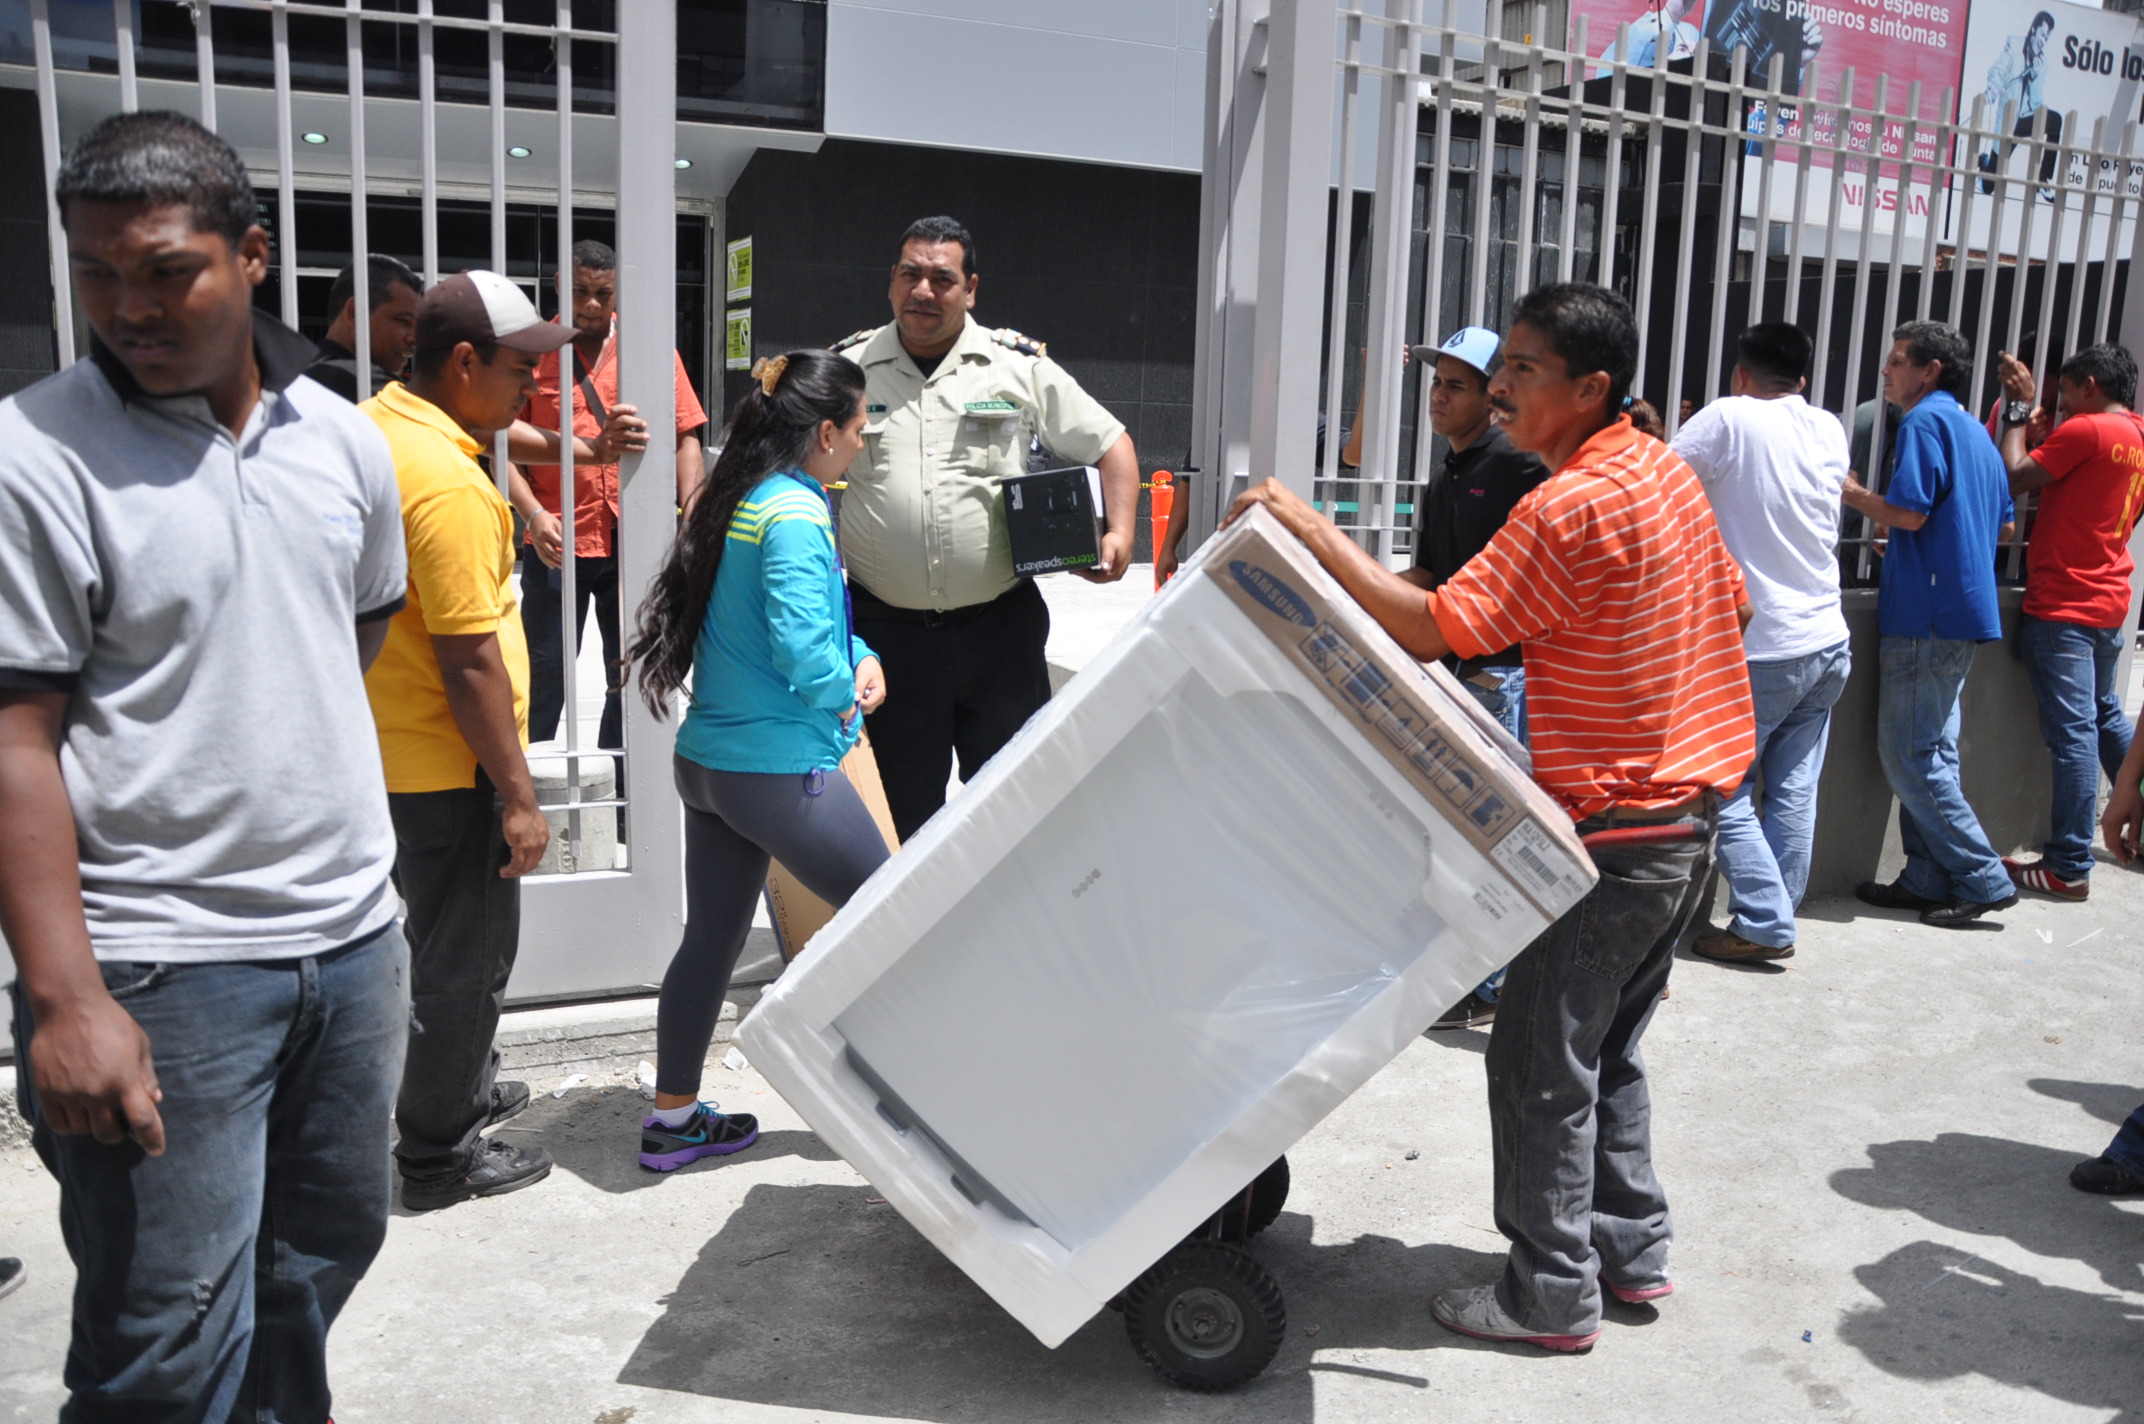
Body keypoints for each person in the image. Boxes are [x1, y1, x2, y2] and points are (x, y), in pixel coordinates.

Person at [1231, 282, 1755, 1354]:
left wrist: (1303, 527)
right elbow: (1733, 603)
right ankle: (1627, 1249)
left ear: (1590, 387)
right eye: (1500, 365)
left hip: (1614, 828)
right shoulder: (1660, 473)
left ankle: (1549, 1292)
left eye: (1522, 369)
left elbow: (1432, 628)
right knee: (1604, 1048)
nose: (1500, 387)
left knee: (1535, 1062)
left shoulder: (1563, 504)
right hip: (1689, 821)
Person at [0, 110, 409, 1420]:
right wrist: (67, 1001)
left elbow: (352, 627)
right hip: (160, 969)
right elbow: (12, 739)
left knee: (313, 1267)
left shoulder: (343, 445)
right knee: (162, 1337)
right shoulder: (33, 458)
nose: (129, 307)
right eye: (98, 273)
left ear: (252, 255)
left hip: (351, 949)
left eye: (165, 269)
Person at [625, 350, 891, 1170]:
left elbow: (759, 617)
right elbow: (805, 649)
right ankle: (892, 1106)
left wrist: (859, 647)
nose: (864, 436)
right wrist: (847, 692)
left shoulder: (738, 501)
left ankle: (673, 1121)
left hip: (709, 766)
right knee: (895, 918)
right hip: (778, 772)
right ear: (823, 433)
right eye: (858, 424)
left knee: (709, 939)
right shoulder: (799, 516)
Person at [362, 270, 568, 1211]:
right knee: (465, 965)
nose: (532, 388)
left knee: (430, 947)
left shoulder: (380, 428)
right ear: (461, 362)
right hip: (451, 766)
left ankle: (459, 1088)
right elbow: (471, 662)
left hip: (392, 752)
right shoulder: (446, 481)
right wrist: (519, 797)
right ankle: (439, 1156)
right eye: (521, 369)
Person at [834, 216, 1138, 840]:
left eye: (941, 278)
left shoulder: (1016, 367)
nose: (923, 290)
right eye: (910, 274)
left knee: (1015, 810)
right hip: (886, 639)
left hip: (998, 631)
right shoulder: (846, 371)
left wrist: (1119, 532)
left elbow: (1112, 443)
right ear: (891, 282)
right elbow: (780, 459)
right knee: (898, 815)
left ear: (970, 289)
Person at [1674, 323, 1852, 964]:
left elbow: (1658, 482)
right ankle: (1771, 914)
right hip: (1828, 640)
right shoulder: (1827, 427)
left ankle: (1767, 919)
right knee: (1795, 786)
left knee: (1722, 787)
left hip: (1759, 644)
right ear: (1801, 379)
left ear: (1740, 374)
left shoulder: (1729, 418)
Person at [1845, 322, 2019, 928]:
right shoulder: (1975, 431)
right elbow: (2002, 529)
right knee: (1935, 753)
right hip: (1963, 610)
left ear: (1930, 371)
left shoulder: (1923, 423)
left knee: (1910, 757)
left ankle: (1981, 875)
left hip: (1927, 615)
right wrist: (1929, 545)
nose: (1887, 374)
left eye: (1897, 363)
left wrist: (1850, 492)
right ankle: (1925, 876)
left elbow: (1910, 514)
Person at [1402, 325, 1550, 1031]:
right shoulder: (1448, 470)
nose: (1439, 395)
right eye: (1436, 382)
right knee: (1457, 830)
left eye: (1456, 385)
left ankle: (1488, 984)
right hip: (1461, 671)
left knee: (1492, 834)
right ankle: (1474, 970)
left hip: (1509, 676)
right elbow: (1429, 575)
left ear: (1495, 398)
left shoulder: (1522, 465)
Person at [517, 238, 707, 752]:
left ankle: (622, 797)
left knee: (630, 671)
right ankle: (522, 800)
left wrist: (690, 510)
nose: (593, 304)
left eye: (604, 292)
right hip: (558, 543)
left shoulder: (649, 350)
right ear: (560, 285)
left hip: (634, 539)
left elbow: (685, 436)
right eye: (580, 290)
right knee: (543, 677)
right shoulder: (531, 354)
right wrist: (533, 517)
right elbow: (501, 448)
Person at [1993, 343, 2143, 900]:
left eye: (2068, 392)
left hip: (2066, 603)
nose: (2065, 406)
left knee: (2074, 733)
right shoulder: (2139, 436)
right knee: (2102, 714)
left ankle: (2068, 864)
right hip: (2108, 598)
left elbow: (2011, 477)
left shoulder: (2088, 431)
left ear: (2089, 387)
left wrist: (2014, 412)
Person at [306, 252, 422, 400]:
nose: (414, 338)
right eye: (402, 320)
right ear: (354, 313)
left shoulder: (297, 374)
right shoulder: (370, 386)